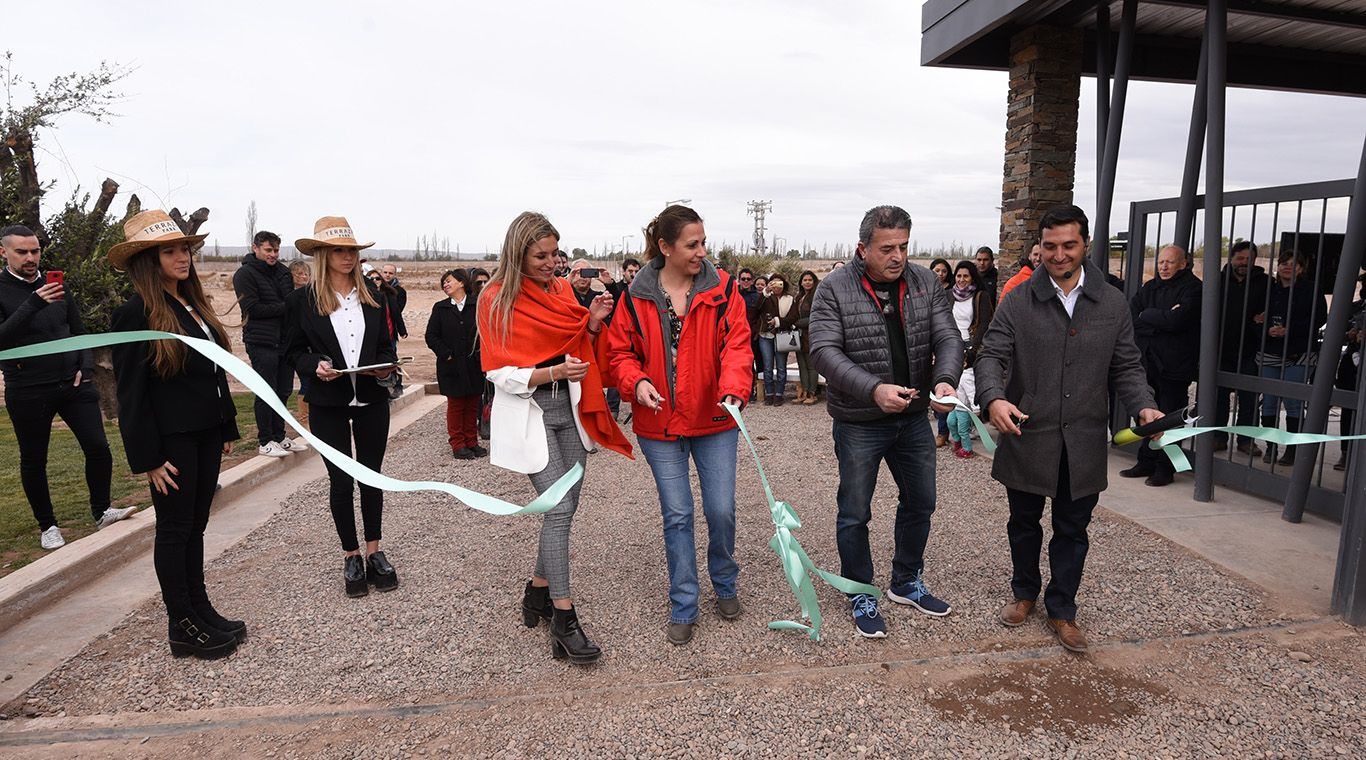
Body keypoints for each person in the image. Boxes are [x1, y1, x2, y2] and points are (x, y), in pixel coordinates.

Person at [976, 204, 1160, 654]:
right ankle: (1024, 593)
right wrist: (994, 397)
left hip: (1083, 440)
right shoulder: (1018, 299)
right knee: (1023, 522)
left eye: (1069, 245)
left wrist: (1144, 406)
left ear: (1086, 245)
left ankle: (1062, 609)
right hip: (1028, 434)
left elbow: (1128, 366)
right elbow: (991, 354)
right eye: (1050, 246)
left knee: (1073, 530)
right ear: (1040, 247)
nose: (1058, 255)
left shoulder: (1112, 302)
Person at [478, 211, 632, 665]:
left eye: (554, 254)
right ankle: (564, 618)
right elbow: (498, 371)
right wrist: (553, 372)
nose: (551, 263)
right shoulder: (495, 299)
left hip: (570, 406)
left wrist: (593, 322)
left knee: (566, 507)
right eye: (540, 256)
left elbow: (577, 342)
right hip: (532, 411)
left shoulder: (562, 291)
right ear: (517, 254)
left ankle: (538, 591)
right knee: (559, 507)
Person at [809, 205, 963, 639]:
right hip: (860, 420)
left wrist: (945, 380)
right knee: (855, 511)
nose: (897, 257)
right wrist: (874, 389)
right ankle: (861, 590)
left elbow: (947, 335)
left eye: (904, 247)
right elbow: (824, 352)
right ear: (863, 249)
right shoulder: (834, 289)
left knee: (921, 502)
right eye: (887, 248)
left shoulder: (925, 281)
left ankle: (906, 581)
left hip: (913, 418)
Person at [606, 204, 752, 645]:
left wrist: (734, 387)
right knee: (677, 514)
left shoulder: (723, 289)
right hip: (660, 425)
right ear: (665, 247)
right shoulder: (635, 296)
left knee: (721, 510)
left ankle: (724, 581)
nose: (702, 252)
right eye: (692, 244)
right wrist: (637, 382)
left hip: (715, 418)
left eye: (704, 242)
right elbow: (619, 353)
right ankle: (684, 603)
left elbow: (738, 344)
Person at [108, 210, 243, 659]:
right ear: (149, 261)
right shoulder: (134, 314)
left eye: (184, 249)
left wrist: (225, 423)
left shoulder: (191, 304)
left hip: (206, 431)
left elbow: (213, 373)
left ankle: (200, 608)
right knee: (175, 528)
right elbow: (131, 393)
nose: (182, 257)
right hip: (171, 440)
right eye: (170, 251)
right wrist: (147, 457)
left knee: (196, 525)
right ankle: (181, 623)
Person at [285, 216, 400, 598]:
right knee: (340, 480)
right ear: (322, 254)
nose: (347, 256)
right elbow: (293, 351)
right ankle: (351, 555)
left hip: (371, 400)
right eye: (338, 250)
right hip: (327, 403)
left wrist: (384, 365)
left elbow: (384, 346)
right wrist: (315, 364)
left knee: (371, 476)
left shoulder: (373, 295)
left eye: (351, 250)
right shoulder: (301, 301)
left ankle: (374, 551)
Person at [0, 224, 131, 551]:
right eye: (22, 252)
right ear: (3, 252)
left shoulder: (57, 286)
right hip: (28, 388)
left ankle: (102, 511)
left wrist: (84, 368)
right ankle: (48, 526)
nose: (31, 258)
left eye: (35, 251)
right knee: (34, 459)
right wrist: (33, 303)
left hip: (74, 384)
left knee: (98, 447)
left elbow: (78, 331)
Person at [1120, 245, 1202, 487]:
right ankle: (1145, 461)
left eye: (1170, 262)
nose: (1164, 267)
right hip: (1148, 363)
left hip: (1175, 366)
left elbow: (1178, 321)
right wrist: (1160, 318)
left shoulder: (1193, 289)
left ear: (1183, 264)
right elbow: (1132, 316)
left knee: (1170, 418)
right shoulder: (1150, 287)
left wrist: (1148, 316)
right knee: (1146, 414)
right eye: (1161, 262)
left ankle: (1165, 468)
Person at [233, 230, 304, 458]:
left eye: (276, 250)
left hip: (284, 340)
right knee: (267, 391)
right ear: (255, 248)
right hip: (261, 341)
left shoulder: (283, 272)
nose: (273, 254)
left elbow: (291, 299)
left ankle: (279, 436)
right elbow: (252, 309)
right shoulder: (244, 275)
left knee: (283, 390)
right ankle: (265, 441)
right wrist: (285, 308)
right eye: (268, 250)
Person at [1255, 249, 1327, 466]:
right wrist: (1266, 329)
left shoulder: (1311, 290)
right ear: (1277, 266)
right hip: (1270, 351)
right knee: (1268, 403)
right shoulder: (1270, 290)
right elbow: (1255, 318)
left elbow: (1319, 318)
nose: (1287, 266)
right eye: (1283, 263)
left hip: (1300, 352)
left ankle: (1292, 450)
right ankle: (1271, 446)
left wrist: (1290, 330)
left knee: (1293, 403)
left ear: (1301, 268)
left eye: (1293, 263)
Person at [1213, 241, 1267, 456]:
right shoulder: (1217, 281)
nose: (1244, 263)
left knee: (1249, 399)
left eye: (1249, 259)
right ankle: (1218, 437)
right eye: (1240, 258)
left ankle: (1246, 440)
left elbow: (1274, 309)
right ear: (1231, 258)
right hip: (1220, 349)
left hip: (1250, 349)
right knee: (1218, 397)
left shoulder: (1265, 283)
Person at [426, 269, 485, 460]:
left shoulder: (477, 304)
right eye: (443, 282)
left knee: (473, 404)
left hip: (473, 364)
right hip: (451, 366)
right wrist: (447, 354)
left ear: (461, 282)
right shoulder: (440, 308)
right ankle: (458, 444)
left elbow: (485, 332)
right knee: (456, 405)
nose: (445, 285)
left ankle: (472, 441)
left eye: (449, 281)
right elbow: (431, 336)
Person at [949, 259, 994, 419]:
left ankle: (976, 418)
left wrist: (972, 351)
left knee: (968, 384)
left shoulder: (980, 296)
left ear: (972, 277)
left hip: (970, 346)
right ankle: (953, 424)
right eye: (958, 276)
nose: (961, 280)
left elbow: (983, 325)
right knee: (954, 385)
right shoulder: (949, 296)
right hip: (952, 344)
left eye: (966, 276)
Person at [757, 274, 798, 405]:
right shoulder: (766, 297)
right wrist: (765, 292)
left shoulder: (790, 299)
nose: (776, 286)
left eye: (779, 283)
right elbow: (757, 308)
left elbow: (793, 317)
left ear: (783, 284)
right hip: (766, 335)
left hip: (782, 335)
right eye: (773, 283)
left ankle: (779, 394)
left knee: (781, 366)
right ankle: (769, 393)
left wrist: (778, 321)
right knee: (767, 366)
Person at [793, 270, 821, 405]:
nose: (807, 282)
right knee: (801, 365)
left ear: (814, 282)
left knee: (811, 365)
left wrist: (797, 323)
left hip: (811, 334)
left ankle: (812, 393)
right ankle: (804, 392)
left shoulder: (817, 296)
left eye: (810, 280)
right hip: (798, 335)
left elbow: (816, 316)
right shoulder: (799, 296)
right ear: (801, 282)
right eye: (805, 280)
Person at [738, 268, 763, 402]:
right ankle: (747, 390)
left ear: (752, 281)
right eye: (743, 279)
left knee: (759, 362)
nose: (746, 281)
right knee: (745, 364)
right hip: (739, 335)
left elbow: (761, 317)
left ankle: (760, 390)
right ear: (739, 280)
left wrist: (757, 332)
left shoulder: (758, 296)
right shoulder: (734, 295)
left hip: (754, 335)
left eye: (748, 279)